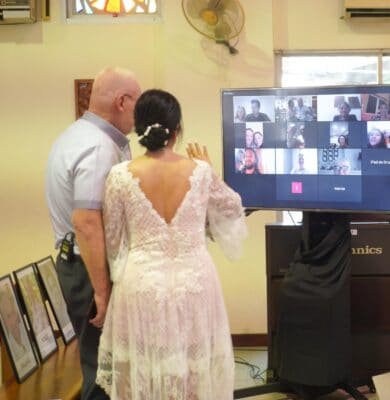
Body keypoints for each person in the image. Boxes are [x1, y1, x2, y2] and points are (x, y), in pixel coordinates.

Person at [96, 89, 247, 399]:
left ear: (139, 128)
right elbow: (232, 209)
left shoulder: (119, 176)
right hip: (194, 282)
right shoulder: (201, 172)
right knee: (193, 368)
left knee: (144, 365)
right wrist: (210, 171)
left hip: (141, 284)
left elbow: (114, 241)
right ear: (177, 129)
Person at [45, 67, 141, 400]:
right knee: (104, 371)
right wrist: (102, 291)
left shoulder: (79, 134)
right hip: (89, 269)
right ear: (122, 101)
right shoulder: (100, 147)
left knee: (100, 364)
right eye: (137, 104)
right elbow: (87, 220)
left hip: (80, 264)